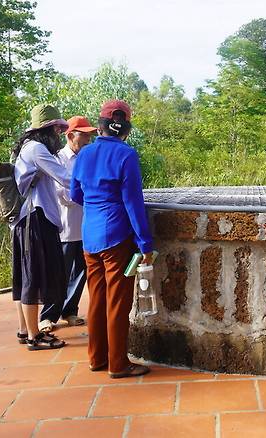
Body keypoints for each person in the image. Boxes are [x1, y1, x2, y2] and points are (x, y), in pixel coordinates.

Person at [71, 100, 154, 378]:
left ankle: (96, 358)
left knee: (96, 298)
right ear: (126, 129)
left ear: (101, 127)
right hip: (117, 236)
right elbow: (133, 203)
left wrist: (97, 203)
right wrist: (145, 244)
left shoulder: (83, 154)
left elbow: (75, 195)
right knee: (118, 301)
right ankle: (118, 363)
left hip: (89, 237)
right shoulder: (126, 155)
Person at [11, 103, 69, 350]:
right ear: (45, 130)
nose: (59, 134)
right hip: (36, 218)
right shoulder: (36, 150)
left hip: (27, 219)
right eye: (56, 129)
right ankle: (35, 336)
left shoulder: (26, 148)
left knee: (25, 276)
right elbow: (65, 177)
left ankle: (25, 330)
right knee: (34, 277)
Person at [44, 116, 97, 327]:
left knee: (81, 272)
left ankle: (69, 311)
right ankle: (48, 316)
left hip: (85, 225)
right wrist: (82, 193)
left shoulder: (88, 158)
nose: (87, 139)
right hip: (64, 226)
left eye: (89, 135)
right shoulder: (57, 159)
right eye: (83, 135)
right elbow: (60, 192)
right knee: (59, 273)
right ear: (70, 135)